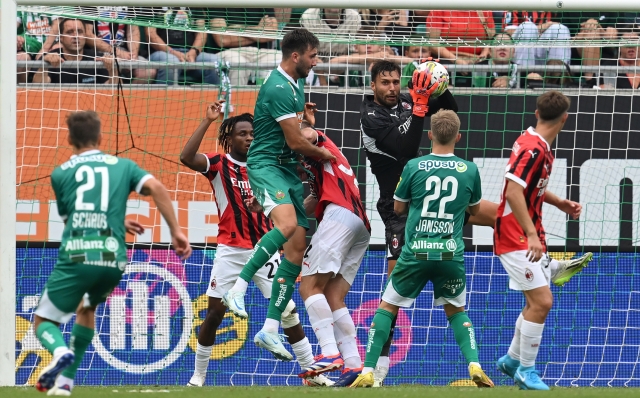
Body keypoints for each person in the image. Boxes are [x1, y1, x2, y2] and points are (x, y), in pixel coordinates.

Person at [33, 110, 192, 396]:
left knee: (44, 321)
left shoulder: (60, 174)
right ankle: (66, 384)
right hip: (113, 258)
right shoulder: (123, 165)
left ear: (69, 139)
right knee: (87, 308)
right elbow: (156, 187)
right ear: (101, 137)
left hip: (77, 256)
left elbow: (74, 219)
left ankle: (59, 352)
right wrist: (176, 231)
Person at [179, 101, 333, 387]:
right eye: (242, 133)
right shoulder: (219, 165)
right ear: (230, 138)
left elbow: (296, 150)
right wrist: (207, 120)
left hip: (266, 248)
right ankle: (198, 377)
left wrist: (304, 124)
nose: (249, 138)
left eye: (252, 133)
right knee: (214, 313)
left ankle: (311, 374)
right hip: (230, 250)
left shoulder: (267, 165)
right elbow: (186, 157)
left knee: (287, 311)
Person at [350, 109, 494, 388]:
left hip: (416, 251)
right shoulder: (470, 170)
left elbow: (399, 207)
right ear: (458, 137)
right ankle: (475, 364)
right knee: (457, 312)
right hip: (450, 252)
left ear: (429, 135)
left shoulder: (414, 166)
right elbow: (474, 210)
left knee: (387, 307)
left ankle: (368, 370)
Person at [221, 28, 335, 361]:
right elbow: (296, 142)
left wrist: (307, 122)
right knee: (285, 226)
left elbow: (299, 133)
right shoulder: (277, 87)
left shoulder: (297, 84)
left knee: (296, 250)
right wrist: (326, 155)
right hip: (267, 165)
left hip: (285, 170)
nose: (317, 61)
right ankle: (238, 288)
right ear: (296, 55)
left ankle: (270, 328)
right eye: (313, 56)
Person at [359, 59, 458, 386]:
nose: (391, 88)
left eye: (395, 82)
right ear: (372, 85)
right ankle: (378, 367)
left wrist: (436, 85)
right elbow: (406, 148)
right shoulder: (370, 118)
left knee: (451, 290)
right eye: (384, 83)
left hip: (430, 203)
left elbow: (451, 115)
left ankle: (473, 363)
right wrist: (418, 106)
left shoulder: (406, 101)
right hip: (398, 210)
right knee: (393, 293)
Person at [494, 91, 589, 390]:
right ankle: (526, 370)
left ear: (537, 113)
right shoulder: (534, 148)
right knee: (543, 301)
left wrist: (559, 201)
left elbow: (530, 187)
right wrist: (532, 235)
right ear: (565, 118)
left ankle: (511, 361)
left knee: (534, 302)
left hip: (525, 234)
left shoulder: (539, 144)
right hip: (516, 236)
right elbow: (511, 192)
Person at [296, 117, 370, 386]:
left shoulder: (315, 137)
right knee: (332, 295)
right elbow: (312, 201)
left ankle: (329, 352)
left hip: (339, 215)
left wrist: (289, 134)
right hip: (359, 223)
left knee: (308, 287)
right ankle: (352, 365)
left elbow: (305, 135)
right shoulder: (322, 171)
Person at [32, 18, 119, 85]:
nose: (76, 36)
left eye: (80, 32)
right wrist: (44, 66)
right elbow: (37, 88)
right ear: (61, 38)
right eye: (70, 32)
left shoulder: (99, 58)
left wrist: (113, 70)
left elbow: (115, 92)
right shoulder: (48, 58)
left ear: (85, 36)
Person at [81, 6, 156, 84]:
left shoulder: (129, 3)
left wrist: (133, 56)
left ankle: (128, 95)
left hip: (125, 53)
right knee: (114, 70)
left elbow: (133, 31)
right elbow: (88, 35)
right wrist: (118, 52)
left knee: (149, 71)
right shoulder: (91, 3)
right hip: (99, 53)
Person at [208, 8, 281, 86]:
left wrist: (235, 29)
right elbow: (222, 40)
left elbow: (272, 33)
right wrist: (259, 30)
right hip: (230, 52)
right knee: (239, 64)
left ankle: (268, 97)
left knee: (282, 59)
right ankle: (236, 97)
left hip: (260, 52)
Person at [147, 7, 220, 85]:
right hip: (162, 53)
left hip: (191, 54)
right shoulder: (154, 3)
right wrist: (173, 52)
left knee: (215, 61)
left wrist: (194, 52)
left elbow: (202, 33)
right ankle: (165, 96)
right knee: (171, 62)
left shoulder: (195, 4)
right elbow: (151, 35)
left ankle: (213, 97)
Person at [16, 6, 61, 83]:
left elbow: (57, 24)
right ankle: (20, 93)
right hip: (29, 42)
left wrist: (45, 48)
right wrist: (15, 38)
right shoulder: (20, 3)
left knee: (58, 50)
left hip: (52, 42)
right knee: (20, 59)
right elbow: (10, 25)